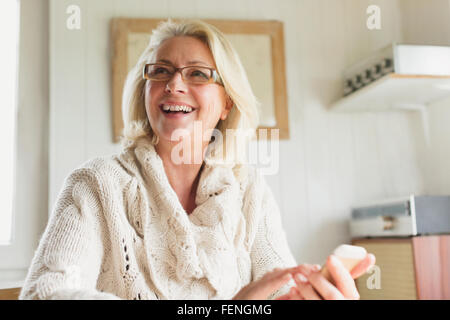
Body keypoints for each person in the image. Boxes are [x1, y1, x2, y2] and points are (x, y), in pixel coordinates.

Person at [19, 19, 375, 300]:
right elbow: (43, 293)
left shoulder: (249, 189)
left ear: (226, 103)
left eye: (197, 73)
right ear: (145, 91)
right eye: (160, 71)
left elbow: (280, 287)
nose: (174, 83)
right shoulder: (96, 183)